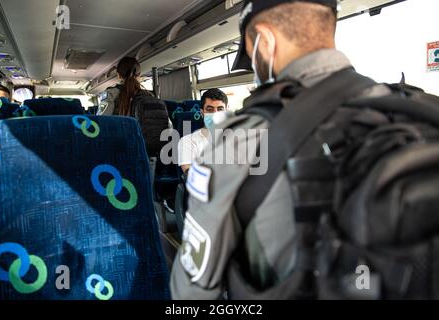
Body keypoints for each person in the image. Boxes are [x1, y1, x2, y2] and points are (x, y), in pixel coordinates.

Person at [170, 0, 397, 300]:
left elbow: (192, 292)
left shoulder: (239, 139)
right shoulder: (414, 111)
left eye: (250, 55)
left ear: (265, 40)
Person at [98, 57, 171, 185]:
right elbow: (168, 126)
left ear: (118, 74)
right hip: (148, 154)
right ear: (139, 74)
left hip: (120, 154)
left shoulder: (110, 94)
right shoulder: (151, 96)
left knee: (124, 196)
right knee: (147, 193)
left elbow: (100, 124)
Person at [178, 88, 228, 173]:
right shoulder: (187, 141)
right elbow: (191, 175)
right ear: (202, 113)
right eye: (210, 109)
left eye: (220, 109)